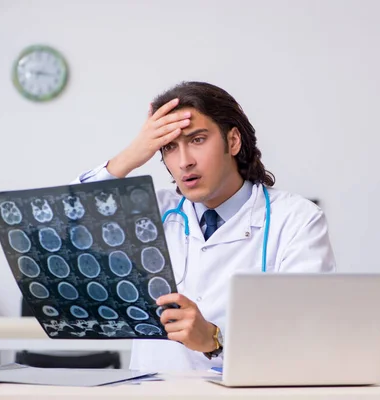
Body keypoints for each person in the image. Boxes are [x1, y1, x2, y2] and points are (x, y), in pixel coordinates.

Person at [75, 81, 336, 371]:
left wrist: (215, 340)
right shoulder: (149, 210)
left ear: (233, 141)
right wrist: (131, 155)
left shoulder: (296, 219)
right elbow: (61, 225)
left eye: (198, 140)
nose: (184, 162)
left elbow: (307, 335)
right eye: (169, 147)